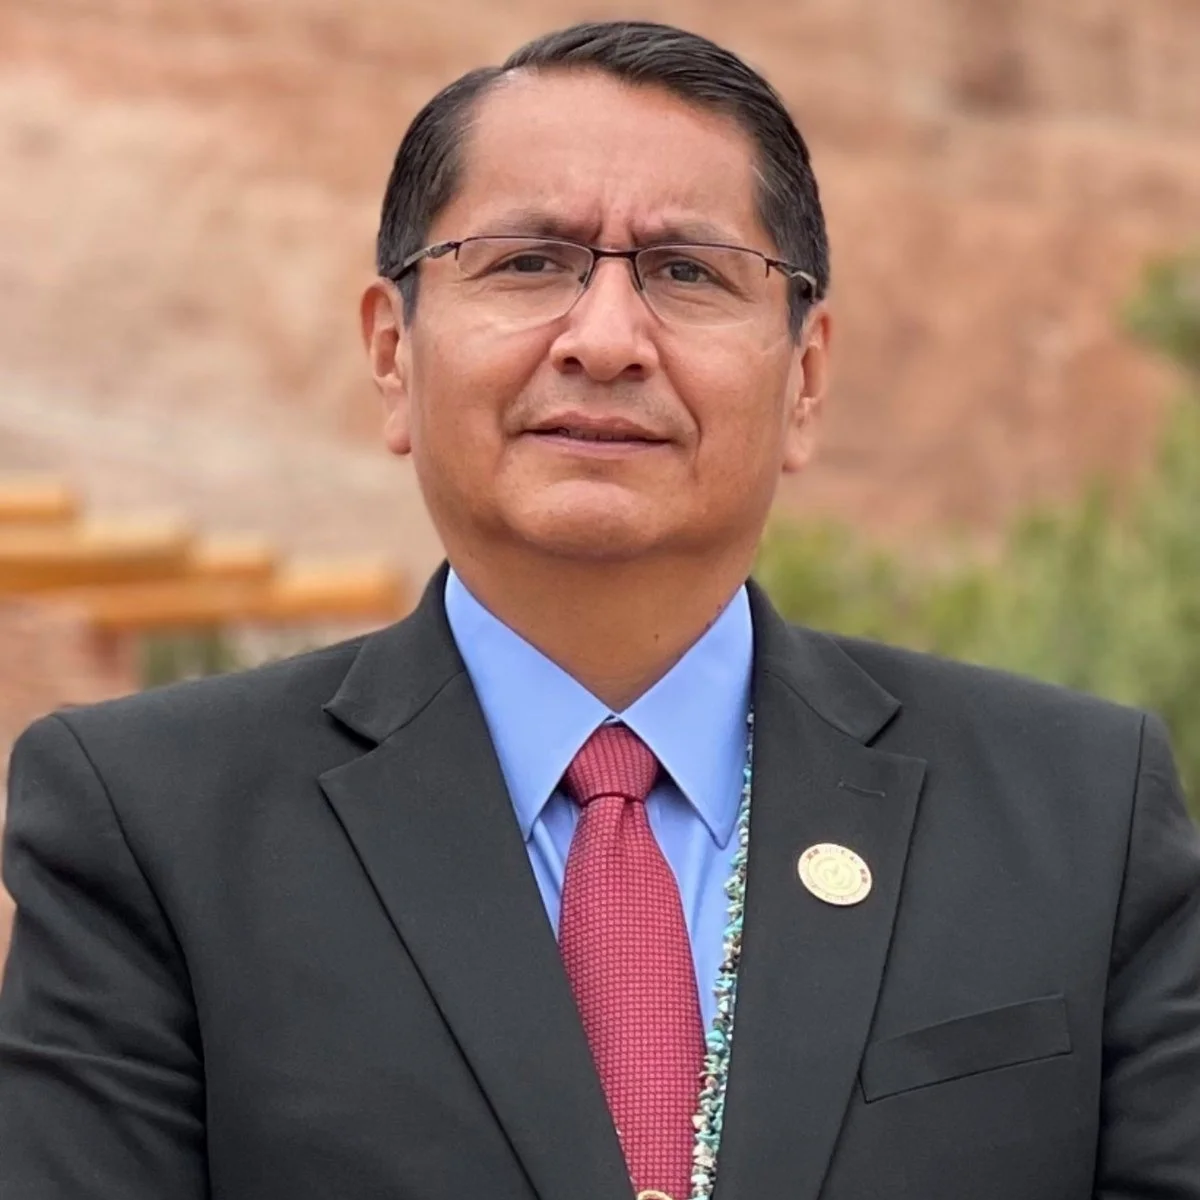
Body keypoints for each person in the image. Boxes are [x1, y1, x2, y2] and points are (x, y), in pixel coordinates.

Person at [2, 19, 1198, 1200]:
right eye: (528, 262)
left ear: (808, 379)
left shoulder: (1079, 814)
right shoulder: (152, 830)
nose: (609, 339)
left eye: (688, 272)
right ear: (392, 355)